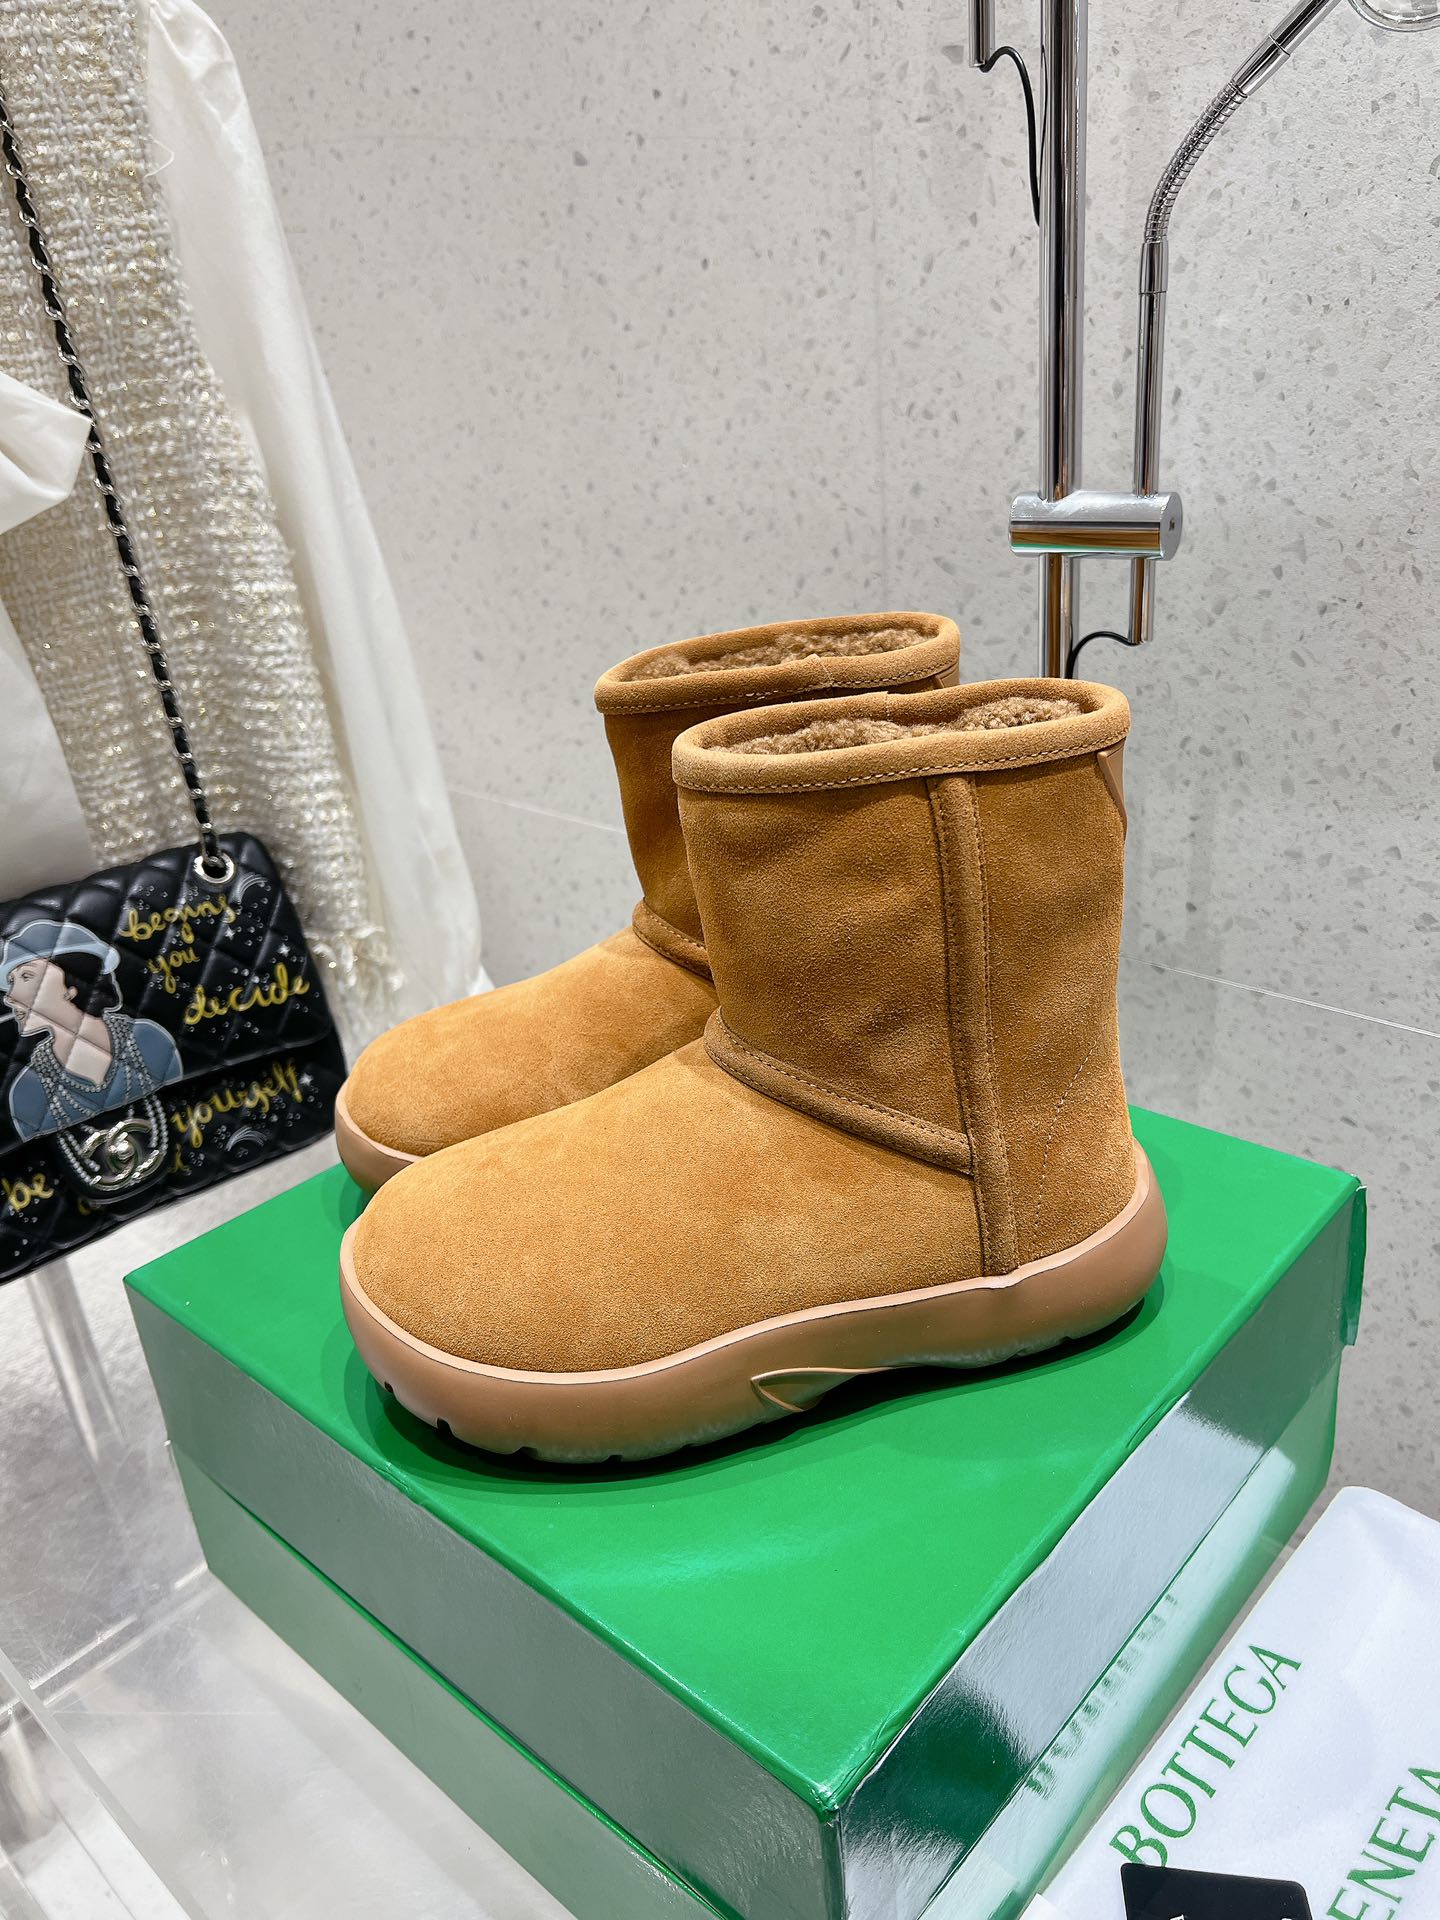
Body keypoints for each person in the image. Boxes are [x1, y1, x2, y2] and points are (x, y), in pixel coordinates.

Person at [0, 920, 183, 1142]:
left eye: (26, 976)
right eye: (11, 981)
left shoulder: (149, 1040)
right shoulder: (25, 1092)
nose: (9, 997)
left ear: (73, 985)